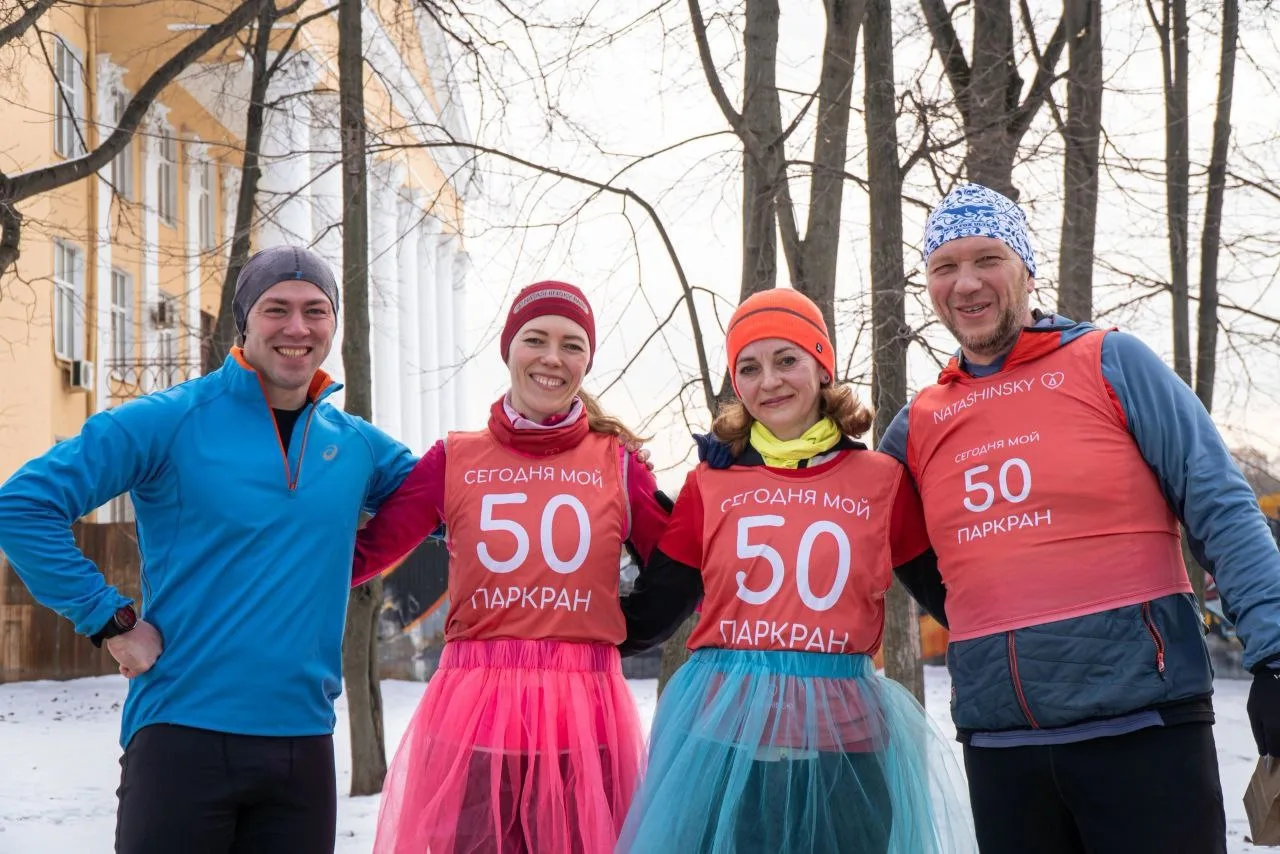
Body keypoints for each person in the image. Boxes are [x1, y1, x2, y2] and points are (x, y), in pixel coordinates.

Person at [869, 183, 1280, 853]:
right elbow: (863, 528)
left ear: (1026, 269)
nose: (966, 283)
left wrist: (1275, 654)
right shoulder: (917, 424)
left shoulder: (1111, 362)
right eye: (945, 267)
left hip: (1144, 728)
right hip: (1003, 748)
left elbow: (1222, 507)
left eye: (987, 259)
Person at [0, 246, 415, 854]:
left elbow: (461, 499)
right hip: (182, 735)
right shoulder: (168, 420)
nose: (297, 328)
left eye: (315, 310)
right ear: (245, 320)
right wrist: (110, 620)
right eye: (277, 309)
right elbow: (22, 505)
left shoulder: (356, 446)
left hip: (303, 747)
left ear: (333, 325)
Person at [615, 288, 975, 854]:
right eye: (750, 368)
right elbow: (651, 613)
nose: (771, 381)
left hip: (843, 745)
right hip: (727, 745)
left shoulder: (882, 481)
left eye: (788, 360)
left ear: (821, 367)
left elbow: (952, 600)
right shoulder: (709, 485)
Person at [351, 280, 671, 854]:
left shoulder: (619, 464)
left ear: (588, 361)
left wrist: (628, 628)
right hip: (476, 708)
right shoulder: (454, 459)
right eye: (536, 339)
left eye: (573, 345)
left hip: (583, 709)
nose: (553, 358)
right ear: (508, 350)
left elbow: (681, 570)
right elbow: (364, 554)